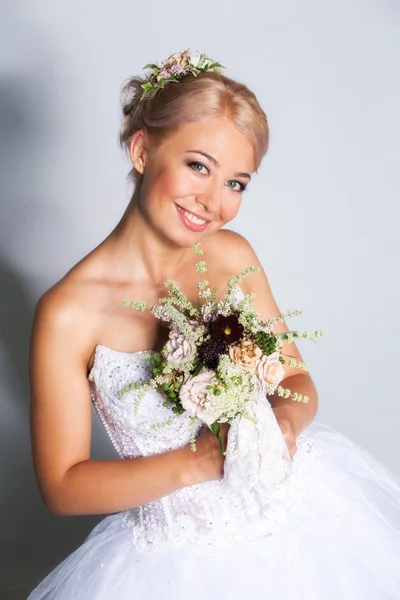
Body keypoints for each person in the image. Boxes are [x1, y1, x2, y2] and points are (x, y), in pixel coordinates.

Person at [27, 50, 400, 599]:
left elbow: (295, 381)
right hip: (177, 563)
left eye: (237, 183)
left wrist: (282, 429)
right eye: (199, 165)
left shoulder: (230, 256)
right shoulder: (69, 312)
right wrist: (201, 461)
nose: (215, 202)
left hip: (302, 521)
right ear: (142, 149)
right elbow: (62, 486)